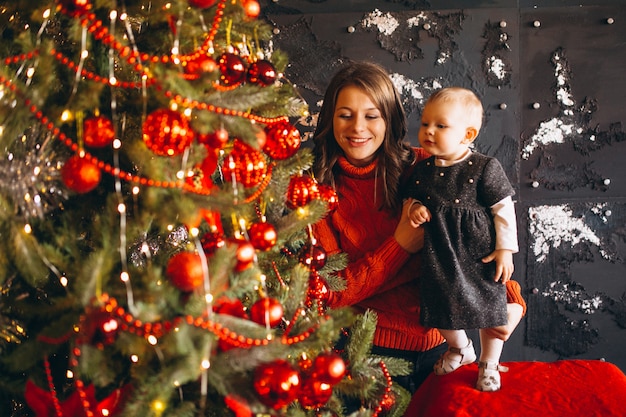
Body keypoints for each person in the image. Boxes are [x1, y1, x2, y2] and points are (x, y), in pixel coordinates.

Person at [311, 61, 526, 394]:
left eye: (371, 116)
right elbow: (333, 292)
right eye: (345, 115)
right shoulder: (315, 191)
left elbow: (474, 229)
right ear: (330, 119)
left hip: (446, 348)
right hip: (365, 355)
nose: (357, 128)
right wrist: (400, 244)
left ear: (389, 119)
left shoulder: (429, 166)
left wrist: (510, 299)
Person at [404, 86, 518, 392]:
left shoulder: (483, 167)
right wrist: (415, 208)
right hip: (440, 252)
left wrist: (505, 249)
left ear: (467, 134)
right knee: (439, 305)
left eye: (440, 126)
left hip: (479, 253)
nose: (428, 131)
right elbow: (411, 198)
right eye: (425, 123)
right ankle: (460, 348)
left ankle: (489, 365)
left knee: (490, 311)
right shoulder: (423, 170)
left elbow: (502, 208)